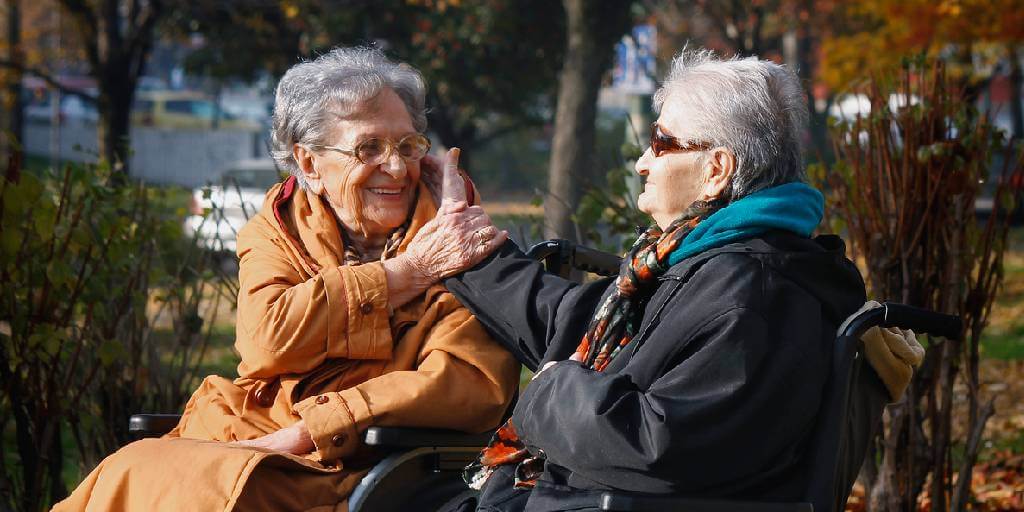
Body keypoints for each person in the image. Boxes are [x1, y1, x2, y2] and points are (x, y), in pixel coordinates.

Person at [401, 49, 898, 511]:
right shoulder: (706, 263)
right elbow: (579, 326)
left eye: (660, 142)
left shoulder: (755, 294)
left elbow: (659, 444)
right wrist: (473, 249)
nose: (642, 161)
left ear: (716, 171)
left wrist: (549, 393)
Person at [54, 47, 519, 511]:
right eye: (369, 147)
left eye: (407, 145)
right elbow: (266, 340)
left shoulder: (457, 238)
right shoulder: (277, 228)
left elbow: (468, 382)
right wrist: (406, 273)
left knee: (182, 486)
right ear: (311, 164)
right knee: (132, 468)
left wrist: (313, 427)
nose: (397, 168)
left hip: (349, 466)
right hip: (245, 431)